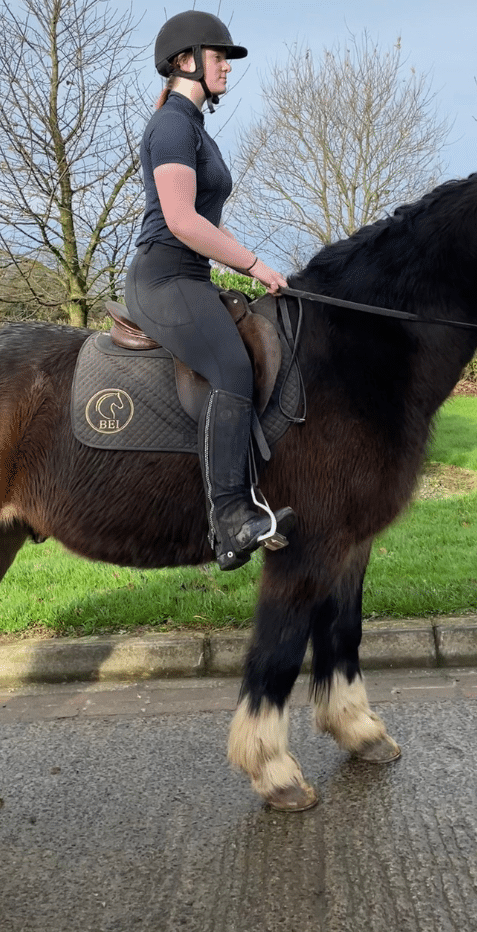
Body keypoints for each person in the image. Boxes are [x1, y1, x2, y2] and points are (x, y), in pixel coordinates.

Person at [124, 10, 295, 571]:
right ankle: (229, 519)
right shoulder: (172, 126)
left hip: (191, 277)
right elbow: (181, 220)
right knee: (231, 368)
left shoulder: (194, 127)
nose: (227, 66)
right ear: (186, 60)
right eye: (219, 56)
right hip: (164, 277)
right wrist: (254, 265)